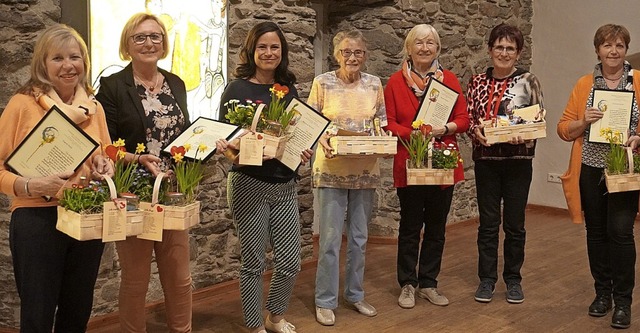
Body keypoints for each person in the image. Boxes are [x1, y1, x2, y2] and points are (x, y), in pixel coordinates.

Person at [0, 24, 113, 332]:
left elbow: (103, 155)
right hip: (36, 219)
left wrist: (104, 165)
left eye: (74, 57)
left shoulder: (94, 107)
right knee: (37, 314)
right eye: (57, 58)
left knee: (78, 312)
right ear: (42, 64)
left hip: (85, 218)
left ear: (84, 63)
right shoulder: (22, 105)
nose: (68, 66)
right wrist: (29, 185)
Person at [95, 13, 193, 332]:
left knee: (180, 278)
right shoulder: (112, 86)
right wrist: (137, 160)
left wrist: (204, 144)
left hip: (172, 193)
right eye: (140, 37)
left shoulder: (176, 83)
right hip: (133, 196)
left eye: (155, 37)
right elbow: (103, 145)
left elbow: (183, 134)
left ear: (163, 43)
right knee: (136, 281)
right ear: (127, 45)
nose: (149, 43)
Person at [216, 21, 312, 333]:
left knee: (290, 261)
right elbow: (226, 137)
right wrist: (228, 147)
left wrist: (303, 151)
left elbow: (297, 135)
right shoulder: (236, 89)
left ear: (282, 52)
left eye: (274, 47)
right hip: (247, 183)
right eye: (262, 47)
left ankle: (275, 316)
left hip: (284, 182)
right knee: (253, 262)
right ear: (252, 50)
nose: (268, 52)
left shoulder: (289, 90)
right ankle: (256, 325)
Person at [558, 24, 640, 330]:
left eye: (620, 45)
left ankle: (623, 302)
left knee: (620, 233)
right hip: (590, 169)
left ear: (625, 49)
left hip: (623, 171)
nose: (614, 51)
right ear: (598, 50)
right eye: (607, 46)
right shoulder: (584, 85)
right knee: (596, 233)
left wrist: (638, 137)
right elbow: (563, 128)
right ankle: (601, 294)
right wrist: (583, 121)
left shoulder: (639, 82)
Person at [383, 24, 469, 309]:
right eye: (418, 43)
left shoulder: (450, 81)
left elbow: (463, 119)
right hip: (410, 164)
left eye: (430, 43)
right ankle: (407, 283)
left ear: (438, 48)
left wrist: (442, 128)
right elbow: (390, 122)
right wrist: (415, 133)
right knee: (409, 227)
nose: (424, 48)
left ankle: (429, 283)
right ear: (409, 48)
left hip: (442, 164)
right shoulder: (396, 82)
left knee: (436, 227)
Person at [307, 29, 386, 326]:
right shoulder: (322, 83)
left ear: (365, 55)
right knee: (329, 240)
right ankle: (325, 300)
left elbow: (382, 123)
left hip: (365, 172)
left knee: (359, 238)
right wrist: (321, 139)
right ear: (336, 54)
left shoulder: (375, 84)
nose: (352, 58)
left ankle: (354, 294)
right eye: (346, 52)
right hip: (331, 171)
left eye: (358, 53)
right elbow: (311, 122)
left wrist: (385, 141)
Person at [466, 23, 544, 305]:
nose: (504, 52)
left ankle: (513, 280)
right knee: (487, 225)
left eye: (510, 48)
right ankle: (486, 280)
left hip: (518, 162)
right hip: (486, 161)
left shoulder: (529, 81)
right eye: (499, 47)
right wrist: (476, 132)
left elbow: (537, 122)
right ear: (490, 50)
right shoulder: (476, 82)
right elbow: (470, 119)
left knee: (515, 225)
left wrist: (527, 133)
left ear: (518, 53)